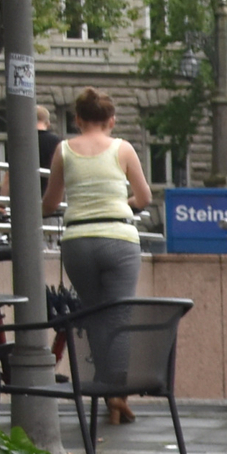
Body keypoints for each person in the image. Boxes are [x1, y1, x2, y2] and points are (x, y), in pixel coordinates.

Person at [40, 87, 153, 425]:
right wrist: (122, 205)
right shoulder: (123, 149)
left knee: (94, 317)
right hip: (118, 238)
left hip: (78, 241)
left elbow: (49, 204)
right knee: (119, 317)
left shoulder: (63, 150)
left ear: (77, 119)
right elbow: (144, 197)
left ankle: (105, 392)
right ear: (111, 121)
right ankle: (117, 395)